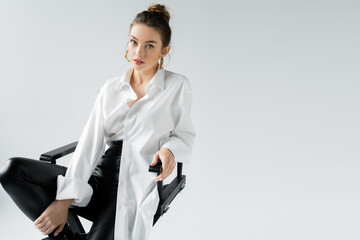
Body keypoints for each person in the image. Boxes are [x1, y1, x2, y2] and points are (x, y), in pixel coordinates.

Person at [0, 3, 196, 240]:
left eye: (150, 45)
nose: (139, 53)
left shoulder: (177, 86)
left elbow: (184, 134)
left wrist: (169, 150)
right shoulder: (111, 88)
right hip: (97, 181)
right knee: (13, 171)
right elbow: (90, 142)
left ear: (164, 51)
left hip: (134, 189)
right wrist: (64, 201)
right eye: (134, 42)